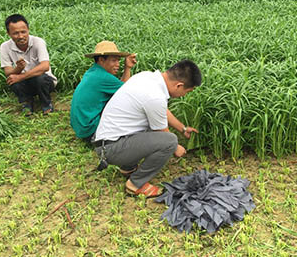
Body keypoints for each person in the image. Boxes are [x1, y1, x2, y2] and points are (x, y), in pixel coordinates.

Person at [94, 60, 202, 197]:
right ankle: (135, 184)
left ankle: (128, 167)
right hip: (112, 148)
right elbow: (162, 132)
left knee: (155, 132)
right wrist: (176, 148)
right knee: (170, 141)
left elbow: (161, 110)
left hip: (107, 141)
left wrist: (183, 128)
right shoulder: (155, 96)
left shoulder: (147, 77)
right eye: (187, 92)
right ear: (179, 85)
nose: (184, 95)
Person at [70, 41, 136, 141]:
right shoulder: (103, 77)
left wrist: (127, 67)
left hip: (82, 128)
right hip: (90, 130)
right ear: (101, 60)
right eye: (114, 61)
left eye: (118, 60)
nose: (118, 64)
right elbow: (127, 92)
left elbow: (121, 90)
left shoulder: (93, 72)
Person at [0, 14, 57, 116]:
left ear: (28, 30)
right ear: (8, 33)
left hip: (45, 82)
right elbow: (7, 72)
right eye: (16, 33)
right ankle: (26, 103)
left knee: (39, 78)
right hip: (25, 83)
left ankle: (46, 103)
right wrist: (18, 69)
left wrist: (20, 76)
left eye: (23, 32)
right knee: (12, 80)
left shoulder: (38, 42)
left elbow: (45, 66)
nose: (21, 36)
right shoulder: (5, 47)